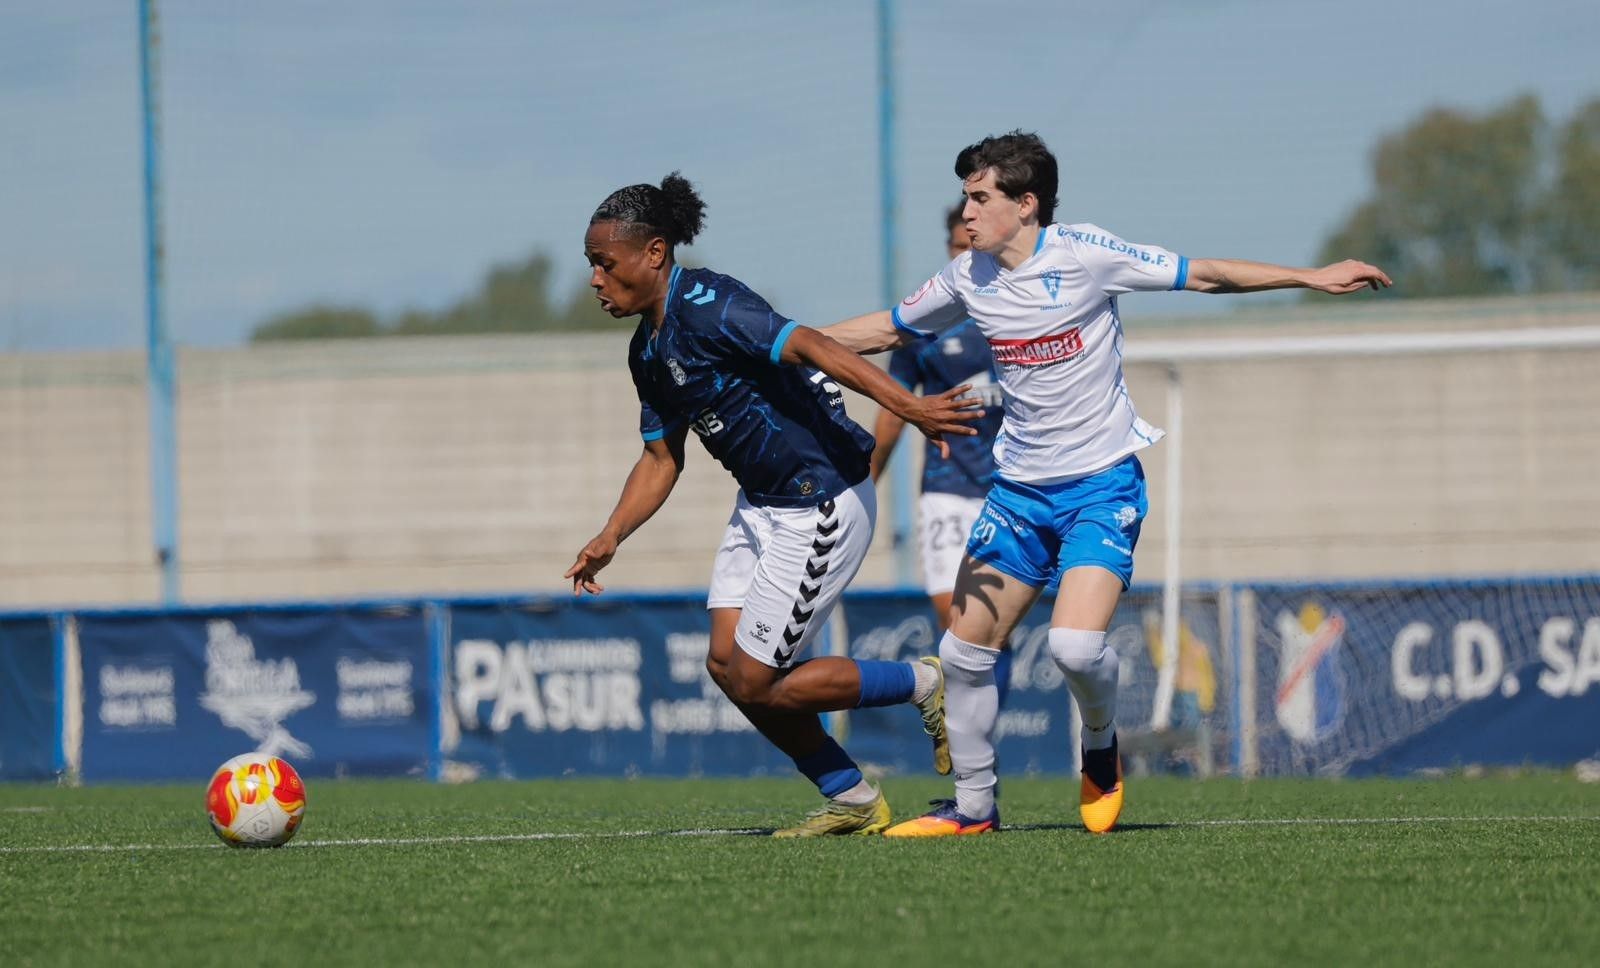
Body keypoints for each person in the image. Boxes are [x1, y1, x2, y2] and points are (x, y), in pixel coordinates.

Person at [825, 131, 1391, 837]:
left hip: (1100, 488)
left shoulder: (1086, 254)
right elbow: (885, 329)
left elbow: (1205, 274)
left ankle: (1099, 744)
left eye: (979, 198)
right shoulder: (967, 277)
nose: (965, 213)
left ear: (1026, 204)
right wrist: (783, 342)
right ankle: (973, 810)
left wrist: (1311, 277)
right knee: (960, 654)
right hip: (1019, 496)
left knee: (1072, 648)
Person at [564, 173, 983, 837]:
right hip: (761, 505)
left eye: (603, 263)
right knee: (725, 667)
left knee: (759, 680)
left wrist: (909, 407)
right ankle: (850, 798)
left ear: (654, 253)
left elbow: (813, 344)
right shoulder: (646, 351)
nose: (594, 279)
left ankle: (923, 683)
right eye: (591, 265)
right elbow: (660, 459)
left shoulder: (711, 302)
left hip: (821, 498)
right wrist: (612, 533)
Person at [870, 202, 1006, 632]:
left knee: (996, 627)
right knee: (956, 622)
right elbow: (894, 411)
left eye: (974, 244)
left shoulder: (1019, 314)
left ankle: (986, 698)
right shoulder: (924, 323)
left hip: (1010, 489)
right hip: (946, 486)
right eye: (957, 245)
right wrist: (864, 486)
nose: (966, 254)